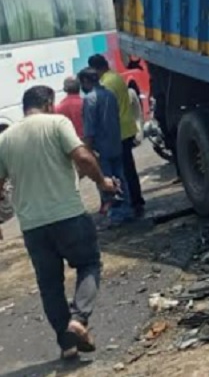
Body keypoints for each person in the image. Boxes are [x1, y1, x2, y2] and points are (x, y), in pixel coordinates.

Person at [0, 85, 121, 360]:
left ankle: (67, 346)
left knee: (50, 285)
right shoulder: (57, 123)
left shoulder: (4, 139)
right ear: (48, 104)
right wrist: (103, 182)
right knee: (89, 264)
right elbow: (83, 157)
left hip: (32, 226)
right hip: (68, 216)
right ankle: (78, 320)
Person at [87, 55, 144, 216]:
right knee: (129, 169)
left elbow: (106, 111)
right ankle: (136, 200)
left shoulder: (106, 84)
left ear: (95, 69)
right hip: (126, 128)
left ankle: (131, 203)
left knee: (122, 172)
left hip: (118, 131)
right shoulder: (115, 77)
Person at [80, 69, 133, 226]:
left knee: (106, 181)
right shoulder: (110, 94)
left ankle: (116, 215)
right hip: (115, 143)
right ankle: (126, 209)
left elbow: (89, 128)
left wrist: (87, 149)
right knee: (120, 177)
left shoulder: (90, 99)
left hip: (101, 147)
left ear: (85, 81)